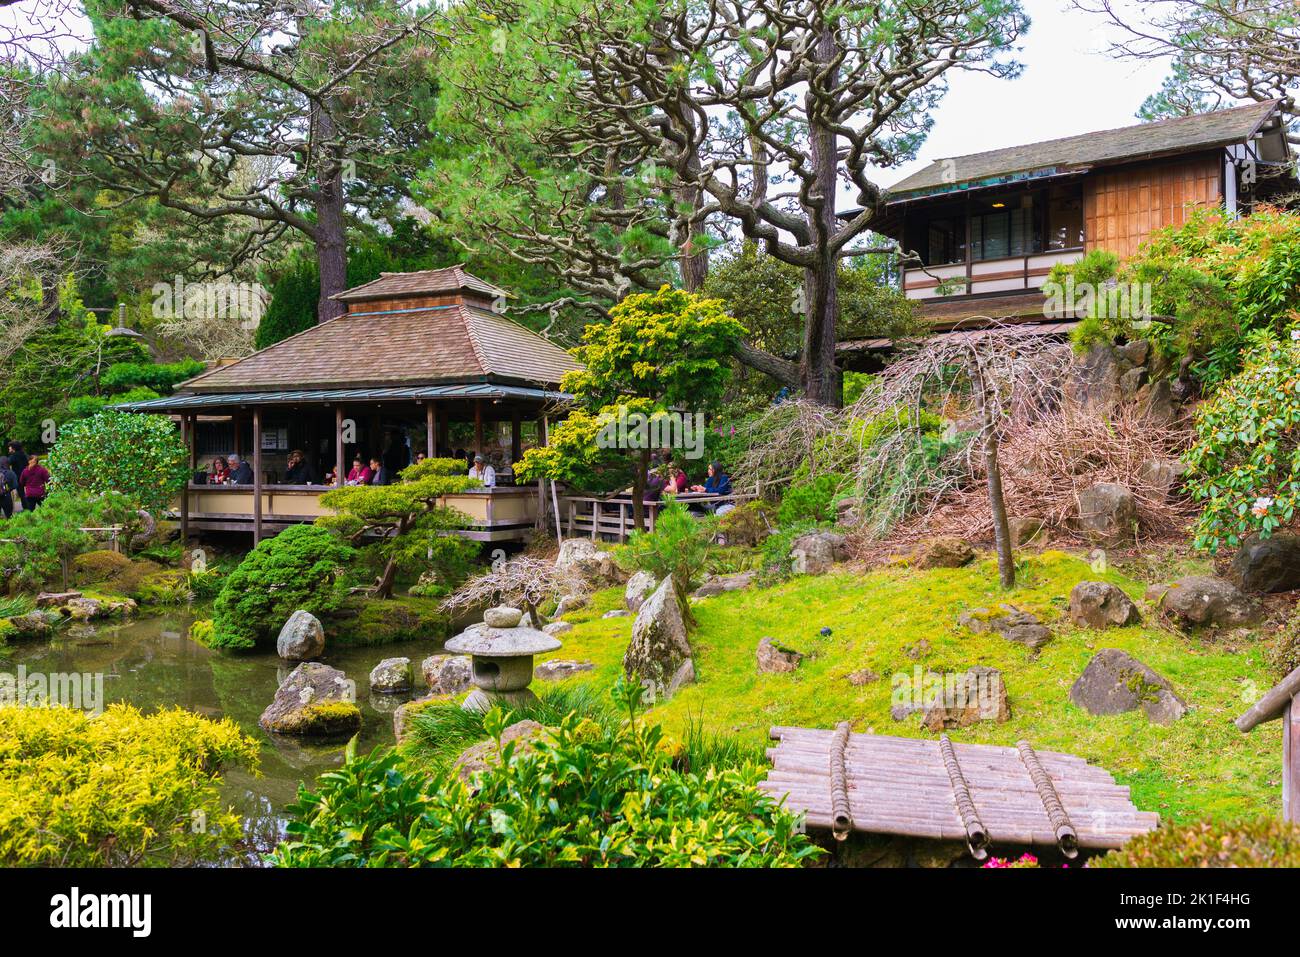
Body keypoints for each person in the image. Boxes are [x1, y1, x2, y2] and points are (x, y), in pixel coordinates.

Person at [7, 441, 28, 510]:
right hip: (27, 476)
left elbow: (6, 463)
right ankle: (29, 508)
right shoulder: (24, 454)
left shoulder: (13, 456)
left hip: (19, 478)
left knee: (22, 494)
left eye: (10, 447)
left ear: (13, 448)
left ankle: (26, 509)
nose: (9, 449)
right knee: (26, 493)